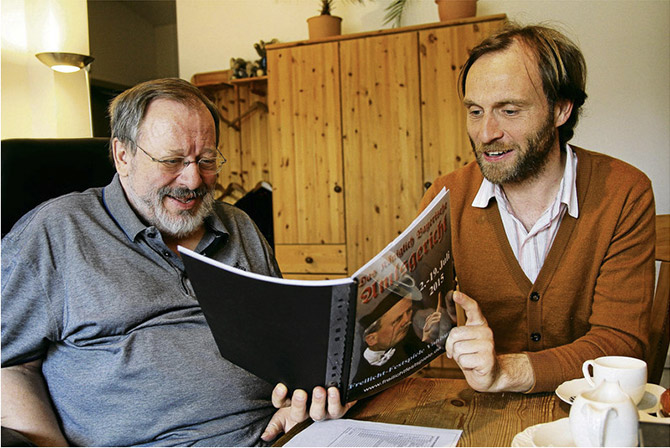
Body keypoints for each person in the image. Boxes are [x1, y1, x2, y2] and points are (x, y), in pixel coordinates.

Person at [1, 78, 352, 447]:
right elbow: (8, 364)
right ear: (123, 155)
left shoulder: (240, 226)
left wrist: (297, 403)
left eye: (207, 160)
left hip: (283, 437)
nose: (193, 179)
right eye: (172, 160)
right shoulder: (56, 232)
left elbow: (285, 344)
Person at [419, 23, 655, 394]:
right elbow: (414, 321)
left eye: (509, 111)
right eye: (476, 111)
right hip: (481, 415)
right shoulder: (446, 196)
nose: (485, 133)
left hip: (588, 414)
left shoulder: (624, 191)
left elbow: (620, 344)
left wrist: (505, 370)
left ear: (561, 109)